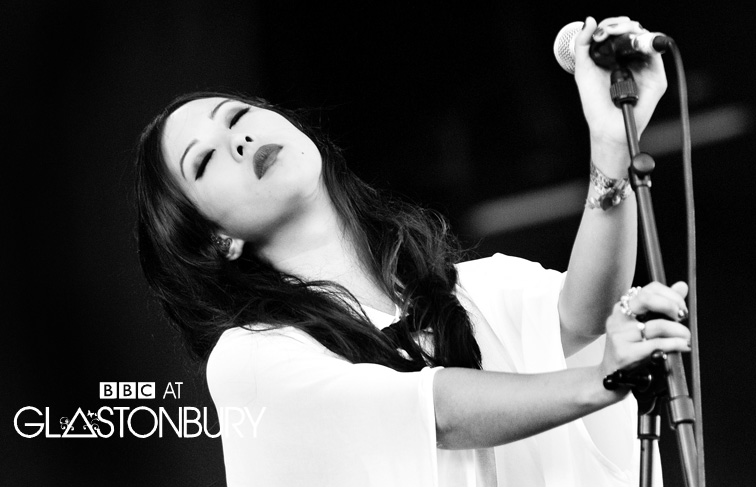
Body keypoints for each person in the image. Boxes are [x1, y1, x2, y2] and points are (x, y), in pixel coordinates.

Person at [134, 15, 689, 487]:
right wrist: (601, 381)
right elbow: (437, 414)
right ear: (215, 240)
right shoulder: (251, 361)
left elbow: (586, 317)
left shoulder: (478, 289)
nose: (238, 139)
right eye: (204, 161)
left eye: (237, 116)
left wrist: (612, 143)